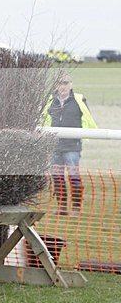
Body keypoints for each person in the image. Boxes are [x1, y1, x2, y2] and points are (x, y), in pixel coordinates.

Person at [41, 74, 97, 215]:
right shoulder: (50, 102)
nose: (63, 86)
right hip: (55, 146)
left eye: (66, 83)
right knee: (57, 177)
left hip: (72, 146)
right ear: (56, 86)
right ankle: (62, 208)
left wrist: (86, 135)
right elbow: (44, 121)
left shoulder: (79, 100)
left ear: (71, 85)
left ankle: (76, 208)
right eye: (60, 83)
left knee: (73, 176)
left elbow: (88, 119)